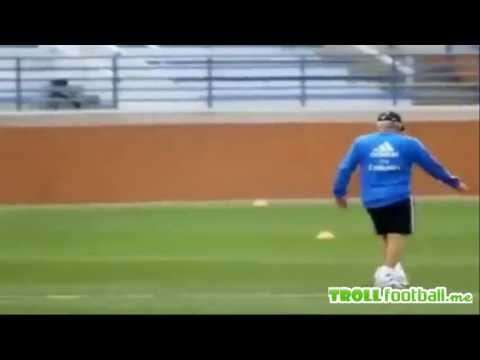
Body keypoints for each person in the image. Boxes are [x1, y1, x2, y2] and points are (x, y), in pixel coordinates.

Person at [332, 111, 468, 288]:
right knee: (399, 233)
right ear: (398, 126)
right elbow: (432, 165)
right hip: (398, 196)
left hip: (371, 199)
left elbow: (344, 168)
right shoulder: (409, 144)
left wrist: (339, 192)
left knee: (386, 235)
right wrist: (454, 183)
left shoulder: (361, 143)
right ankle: (386, 272)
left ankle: (395, 273)